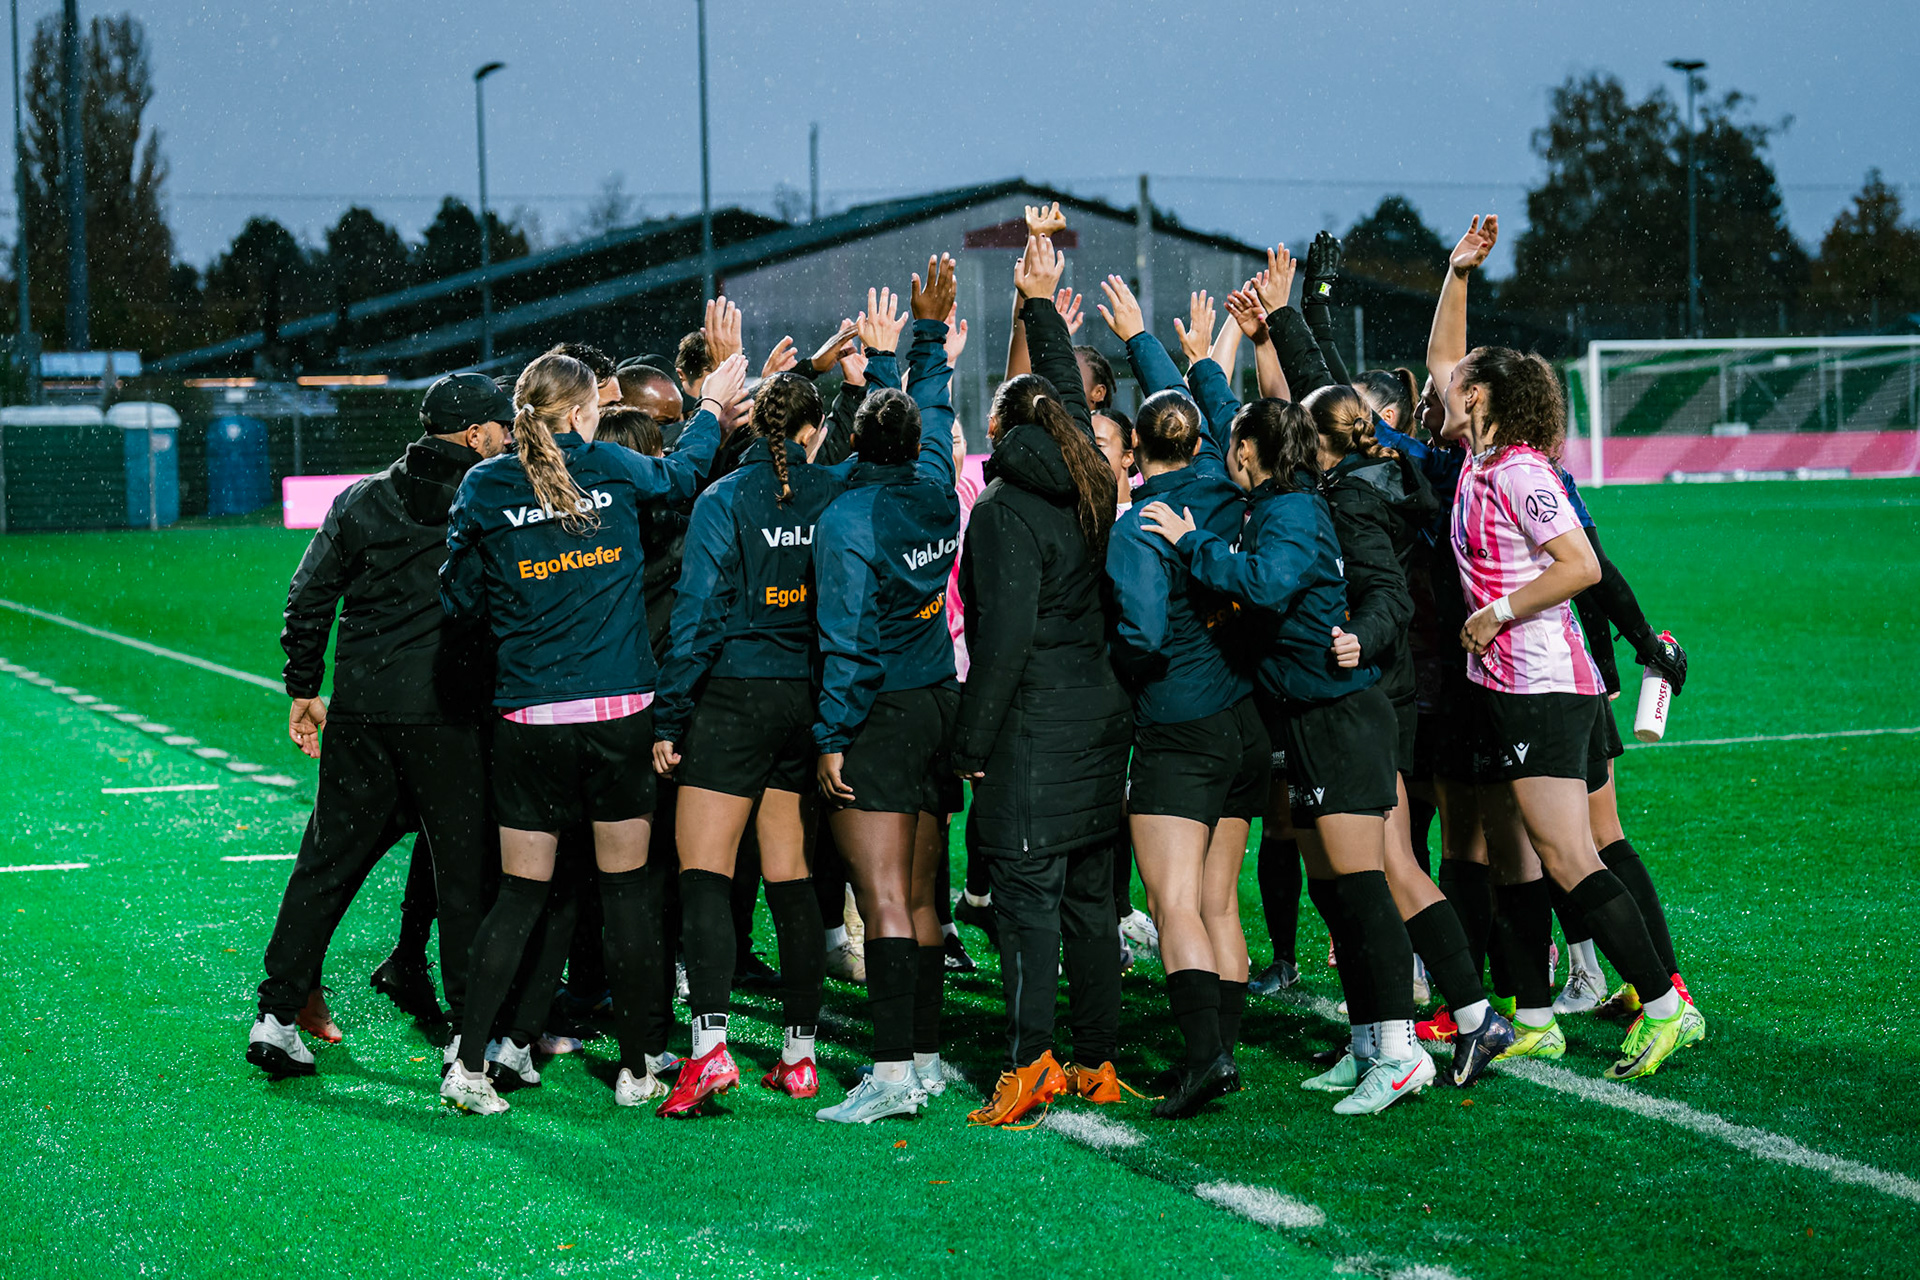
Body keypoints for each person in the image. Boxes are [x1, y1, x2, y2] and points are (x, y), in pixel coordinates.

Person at [435, 347, 747, 1115]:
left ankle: (469, 1065)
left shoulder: (485, 482)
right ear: (581, 413)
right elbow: (681, 478)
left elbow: (460, 600)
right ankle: (640, 1067)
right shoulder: (610, 465)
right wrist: (709, 409)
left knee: (519, 894)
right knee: (628, 897)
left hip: (529, 721)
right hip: (617, 718)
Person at [1140, 390, 1436, 1116]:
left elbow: (1267, 586)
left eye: (1235, 442)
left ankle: (1401, 1053)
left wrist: (1192, 543)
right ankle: (1369, 1043)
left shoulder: (1294, 510)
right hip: (1308, 718)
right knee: (1336, 888)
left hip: (1342, 717)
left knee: (1363, 885)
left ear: (1249, 450)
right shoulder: (1278, 505)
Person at [648, 299, 909, 1116]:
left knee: (704, 874)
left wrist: (668, 718)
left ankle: (711, 1050)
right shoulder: (836, 486)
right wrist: (882, 372)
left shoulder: (724, 498)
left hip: (731, 698)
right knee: (794, 879)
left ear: (754, 426)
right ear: (812, 431)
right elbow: (895, 453)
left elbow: (693, 620)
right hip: (806, 698)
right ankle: (799, 1056)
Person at [1441, 343, 1705, 1080]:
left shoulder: (1521, 469)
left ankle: (1664, 1007)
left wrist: (1497, 611)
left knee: (1568, 855)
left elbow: (1582, 565)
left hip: (1545, 686)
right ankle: (1534, 1020)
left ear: (1483, 398)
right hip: (1516, 685)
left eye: (1461, 382)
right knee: (1525, 857)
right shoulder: (1479, 461)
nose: (1447, 385)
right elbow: (1440, 356)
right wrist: (1458, 275)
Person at [246, 373, 510, 1078]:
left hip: (362, 710)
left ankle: (274, 1016)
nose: (509, 434)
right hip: (447, 717)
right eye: (501, 424)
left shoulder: (362, 497)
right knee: (463, 876)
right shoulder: (490, 496)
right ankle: (465, 1037)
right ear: (474, 434)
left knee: (326, 864)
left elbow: (307, 599)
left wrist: (305, 686)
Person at [954, 236, 1133, 1128]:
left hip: (1034, 730)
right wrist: (1039, 303)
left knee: (1029, 908)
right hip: (1100, 721)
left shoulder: (1000, 509)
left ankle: (1029, 1067)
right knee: (1093, 908)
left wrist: (970, 742)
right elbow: (1061, 395)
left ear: (996, 430)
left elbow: (1006, 638)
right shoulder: (1093, 480)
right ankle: (1099, 1061)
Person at [1100, 277, 1266, 1118]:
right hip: (1245, 722)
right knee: (1216, 900)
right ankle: (1221, 1050)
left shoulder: (1139, 529)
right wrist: (1150, 347)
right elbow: (1211, 405)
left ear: (1133, 445)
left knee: (1171, 905)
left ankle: (1205, 1060)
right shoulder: (1228, 489)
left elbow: (1140, 638)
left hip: (1179, 727)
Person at [809, 256, 964, 1124]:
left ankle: (893, 1074)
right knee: (924, 899)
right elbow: (936, 413)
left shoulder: (847, 518)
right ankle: (930, 1059)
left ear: (857, 444)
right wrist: (930, 335)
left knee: (886, 906)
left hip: (878, 713)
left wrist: (831, 735)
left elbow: (847, 645)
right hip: (937, 699)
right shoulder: (938, 489)